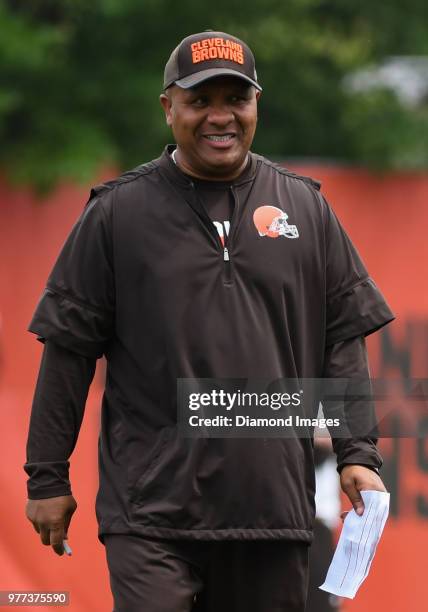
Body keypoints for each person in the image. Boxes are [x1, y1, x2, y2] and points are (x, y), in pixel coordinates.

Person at [24, 30, 394, 611]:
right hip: (150, 511)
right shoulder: (118, 213)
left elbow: (341, 338)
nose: (219, 117)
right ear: (168, 107)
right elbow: (67, 352)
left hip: (270, 507)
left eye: (235, 100)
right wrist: (47, 478)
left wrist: (357, 453)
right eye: (200, 101)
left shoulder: (306, 207)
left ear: (257, 105)